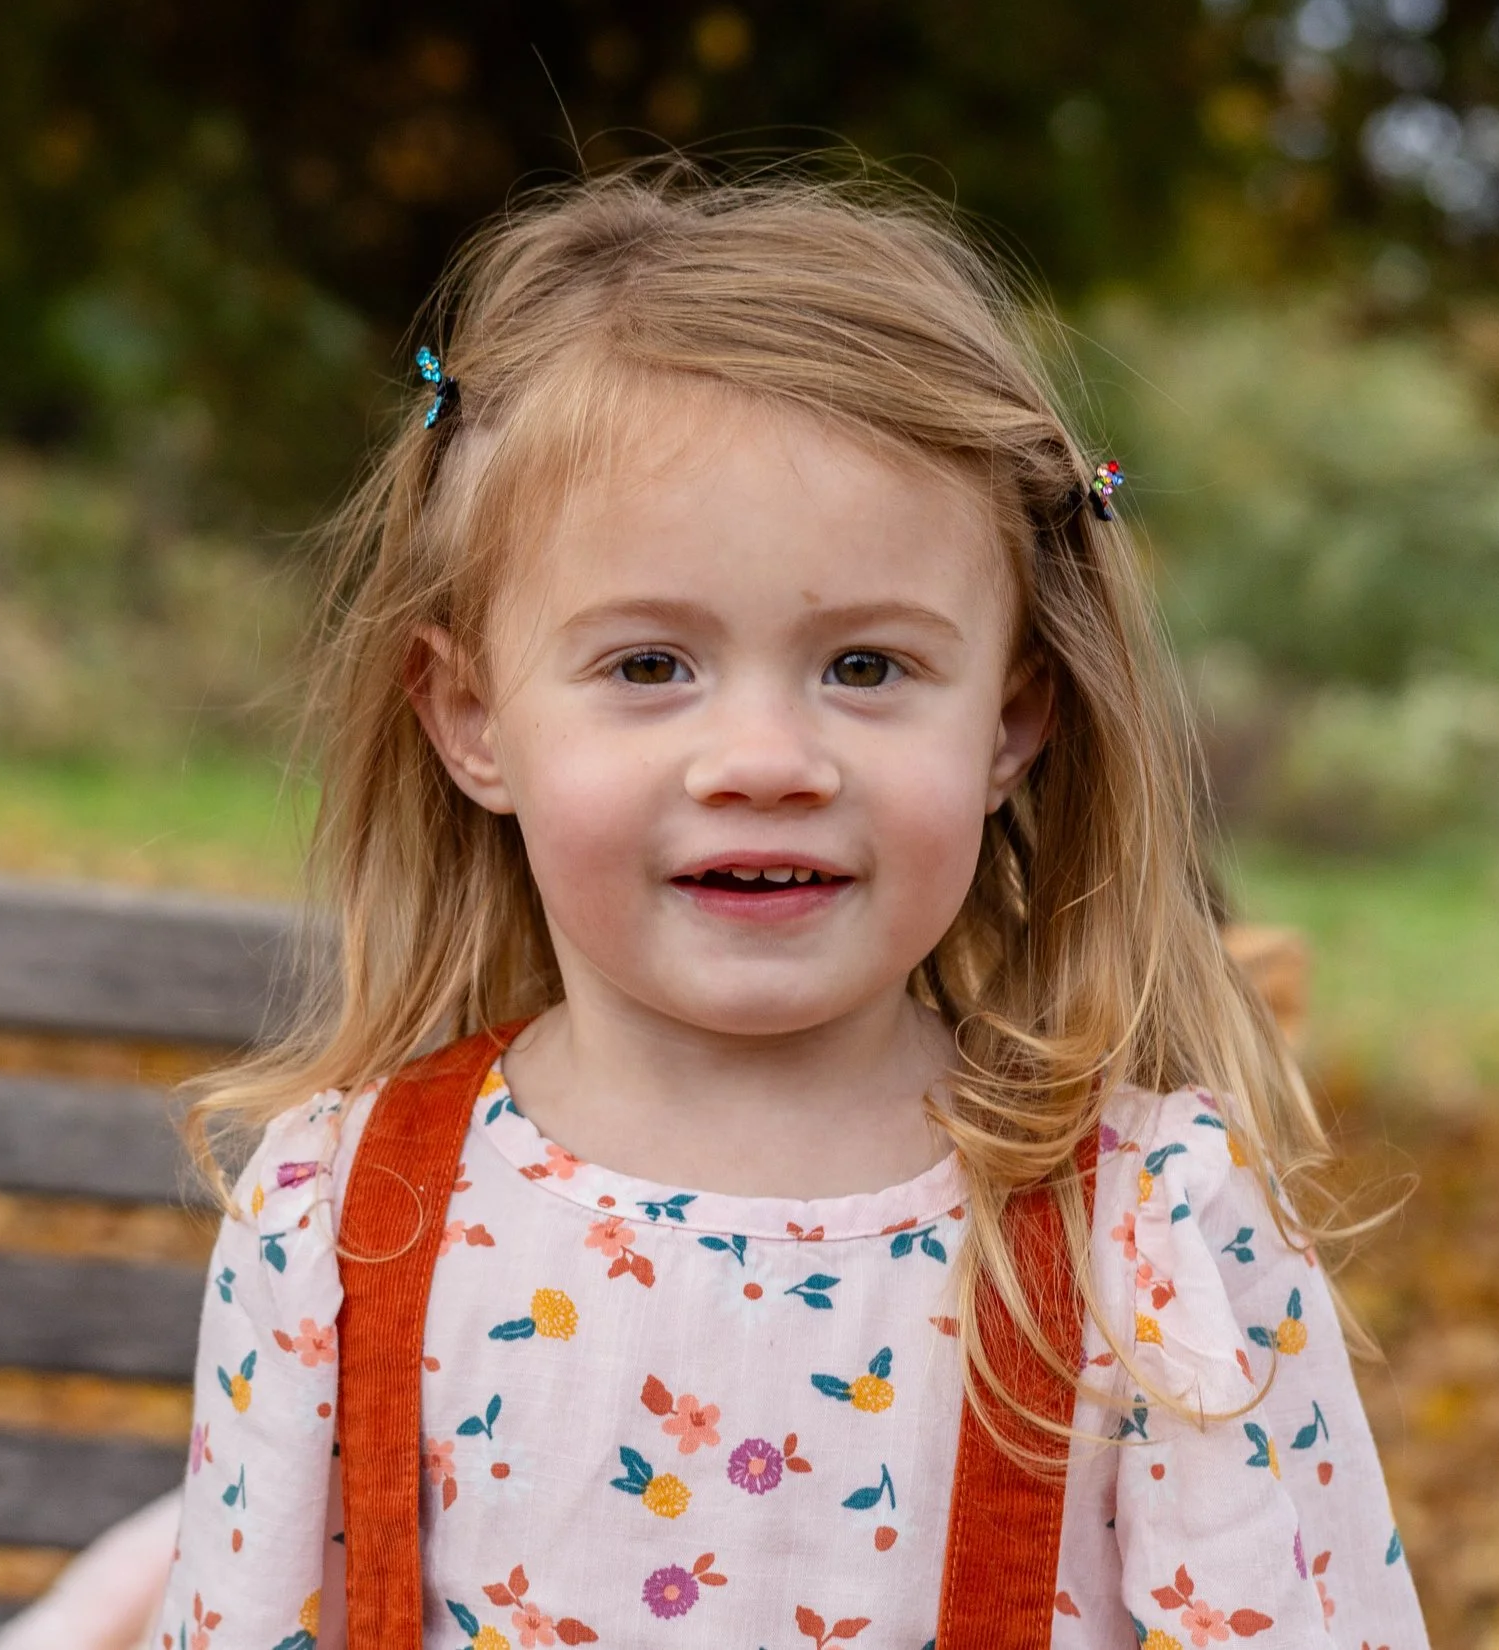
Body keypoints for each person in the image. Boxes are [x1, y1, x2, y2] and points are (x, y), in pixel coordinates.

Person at [106, 162, 1431, 1650]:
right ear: (475, 719)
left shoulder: (1149, 1239)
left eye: (866, 667)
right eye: (649, 665)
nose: (764, 763)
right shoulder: (339, 1224)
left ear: (1010, 721)